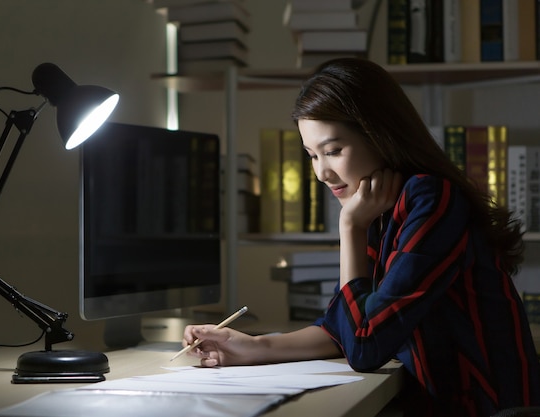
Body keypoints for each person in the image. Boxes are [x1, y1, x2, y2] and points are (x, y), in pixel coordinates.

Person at [181, 58, 540, 416]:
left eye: (334, 151)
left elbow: (364, 346)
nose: (322, 172)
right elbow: (345, 327)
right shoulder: (381, 207)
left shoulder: (432, 199)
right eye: (312, 155)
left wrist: (350, 228)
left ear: (379, 133)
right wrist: (251, 347)